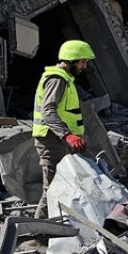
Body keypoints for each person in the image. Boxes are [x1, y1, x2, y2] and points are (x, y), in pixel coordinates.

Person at [32, 40, 93, 218]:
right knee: (52, 189)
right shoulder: (57, 79)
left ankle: (59, 227)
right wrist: (67, 135)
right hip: (51, 140)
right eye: (82, 61)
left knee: (64, 186)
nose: (84, 66)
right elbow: (48, 111)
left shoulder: (65, 79)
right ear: (71, 60)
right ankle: (38, 234)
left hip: (59, 140)